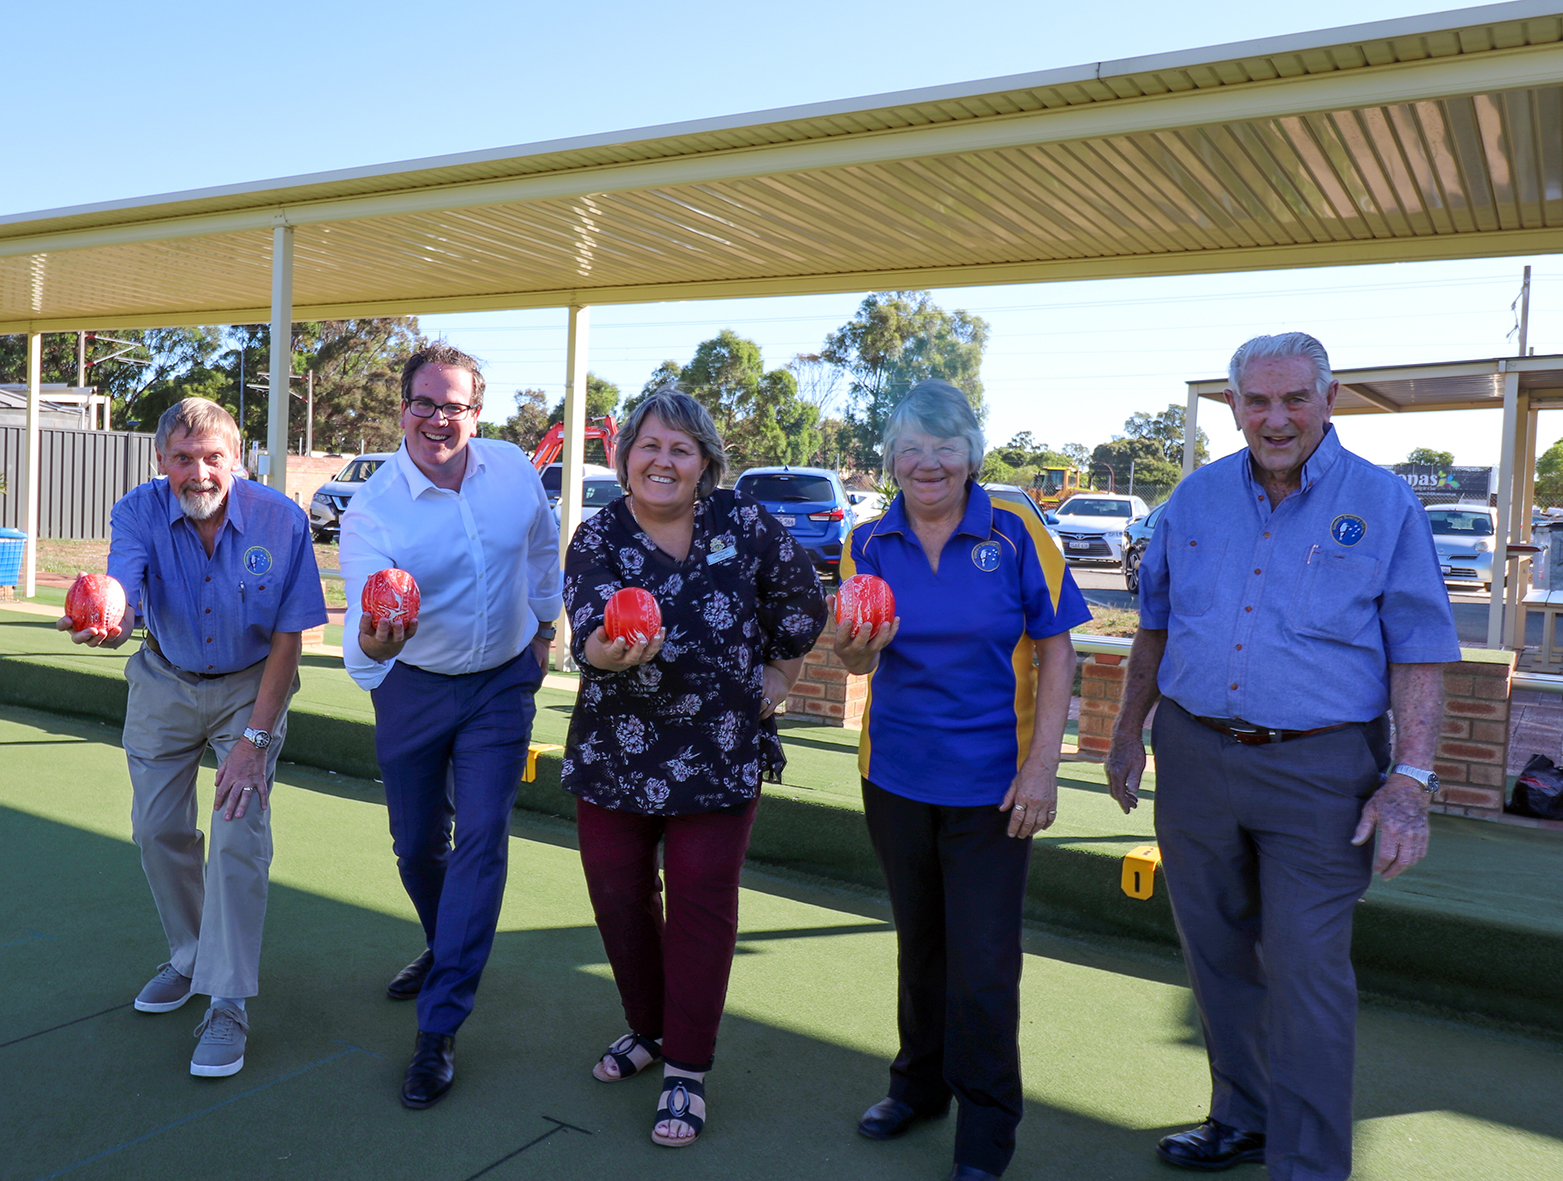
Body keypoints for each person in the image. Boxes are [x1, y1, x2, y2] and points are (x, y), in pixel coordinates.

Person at [1104, 333, 1460, 1181]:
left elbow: (1418, 647)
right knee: (1215, 950)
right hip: (1193, 755)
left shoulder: (1381, 502)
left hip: (1321, 770)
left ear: (1327, 398)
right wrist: (1127, 729)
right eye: (1256, 401)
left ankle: (1306, 1164)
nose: (1275, 417)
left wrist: (1409, 780)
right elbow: (1155, 622)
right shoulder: (1191, 500)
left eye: (1294, 397)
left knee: (1305, 967)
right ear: (1232, 406)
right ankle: (1242, 1116)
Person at [834, 379, 1089, 1181]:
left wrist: (1043, 765)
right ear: (891, 461)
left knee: (982, 961)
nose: (928, 463)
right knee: (921, 944)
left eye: (945, 447)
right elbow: (857, 655)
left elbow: (1057, 649)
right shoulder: (868, 542)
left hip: (994, 786)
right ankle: (916, 1086)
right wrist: (848, 647)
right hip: (896, 776)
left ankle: (986, 1127)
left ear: (971, 455)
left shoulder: (1014, 529)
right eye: (910, 449)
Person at [560, 387, 826, 1148]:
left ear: (705, 460)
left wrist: (779, 674)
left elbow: (802, 600)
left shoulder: (740, 522)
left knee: (702, 904)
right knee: (618, 897)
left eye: (680, 447)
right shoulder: (599, 535)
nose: (663, 460)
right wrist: (610, 653)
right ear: (626, 456)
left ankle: (687, 1069)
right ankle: (647, 1028)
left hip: (719, 748)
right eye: (649, 445)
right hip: (616, 753)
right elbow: (588, 631)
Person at [59, 397, 326, 1078]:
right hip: (164, 676)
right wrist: (108, 613)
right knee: (156, 829)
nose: (199, 472)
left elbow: (290, 636)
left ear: (236, 459)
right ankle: (188, 956)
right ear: (160, 462)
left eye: (213, 457)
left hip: (250, 683)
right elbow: (123, 582)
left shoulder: (281, 518)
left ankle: (227, 997)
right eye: (183, 458)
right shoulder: (139, 509)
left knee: (238, 830)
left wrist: (255, 742)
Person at [339, 343, 561, 1109]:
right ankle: (448, 944)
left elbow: (540, 543)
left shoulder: (511, 470)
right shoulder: (374, 507)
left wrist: (542, 626)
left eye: (456, 405)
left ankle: (439, 1026)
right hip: (413, 682)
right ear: (402, 407)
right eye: (425, 403)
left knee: (482, 838)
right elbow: (363, 635)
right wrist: (377, 642)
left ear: (478, 411)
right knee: (415, 842)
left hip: (501, 683)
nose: (439, 419)